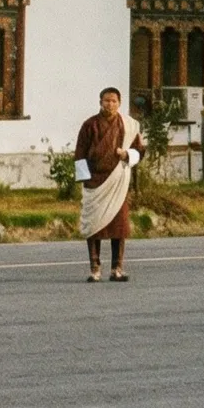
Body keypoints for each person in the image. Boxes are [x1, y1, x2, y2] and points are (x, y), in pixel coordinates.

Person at [74, 86, 143, 282]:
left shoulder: (129, 125)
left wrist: (126, 154)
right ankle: (95, 269)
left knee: (119, 227)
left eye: (113, 101)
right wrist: (86, 182)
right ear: (100, 102)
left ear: (119, 103)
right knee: (93, 226)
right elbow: (80, 154)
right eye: (106, 101)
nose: (110, 104)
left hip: (118, 181)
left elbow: (140, 150)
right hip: (95, 183)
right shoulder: (90, 125)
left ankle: (117, 269)